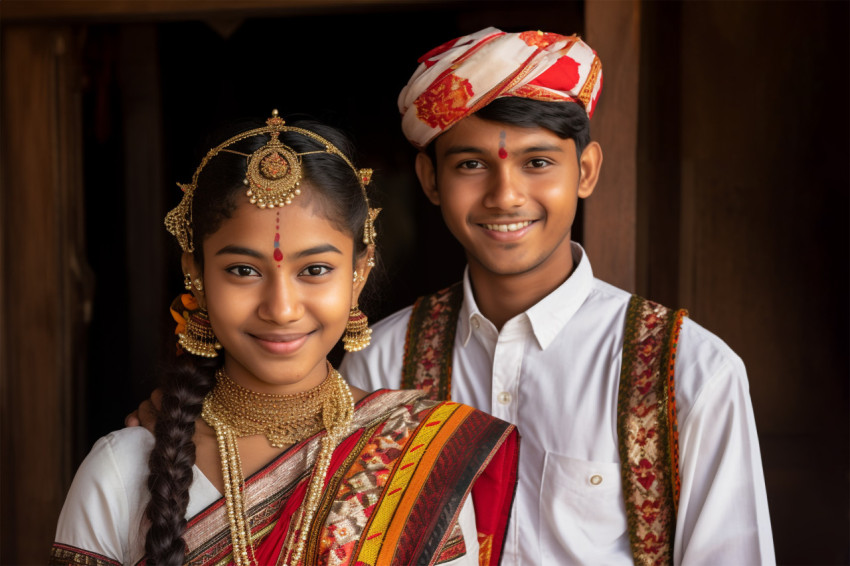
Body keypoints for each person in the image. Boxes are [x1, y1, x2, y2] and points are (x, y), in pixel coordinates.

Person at [339, 27, 776, 565]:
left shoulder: (691, 373)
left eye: (537, 162)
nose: (505, 195)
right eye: (471, 165)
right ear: (430, 179)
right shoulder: (378, 364)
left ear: (585, 171)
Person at [51, 112, 519, 566]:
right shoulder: (121, 469)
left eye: (315, 270)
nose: (281, 308)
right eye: (243, 271)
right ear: (194, 272)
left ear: (359, 272)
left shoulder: (420, 460)